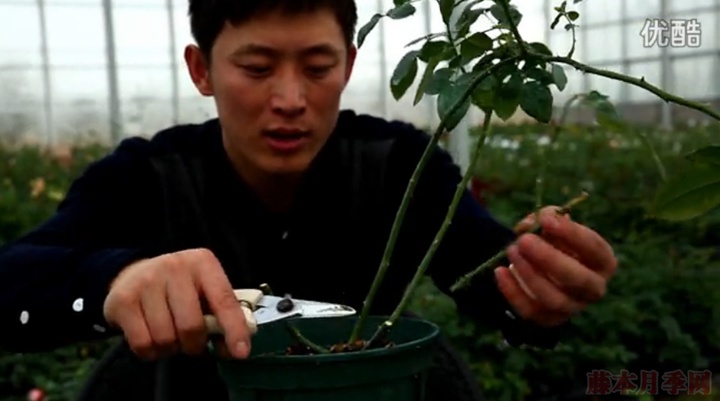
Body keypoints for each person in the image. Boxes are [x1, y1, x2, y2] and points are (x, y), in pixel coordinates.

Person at [0, 1, 618, 400]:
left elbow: (487, 270)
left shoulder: (400, 165)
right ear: (202, 69)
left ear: (348, 64)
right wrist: (116, 279)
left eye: (317, 67)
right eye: (258, 68)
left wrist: (541, 287)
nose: (291, 98)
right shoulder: (148, 175)